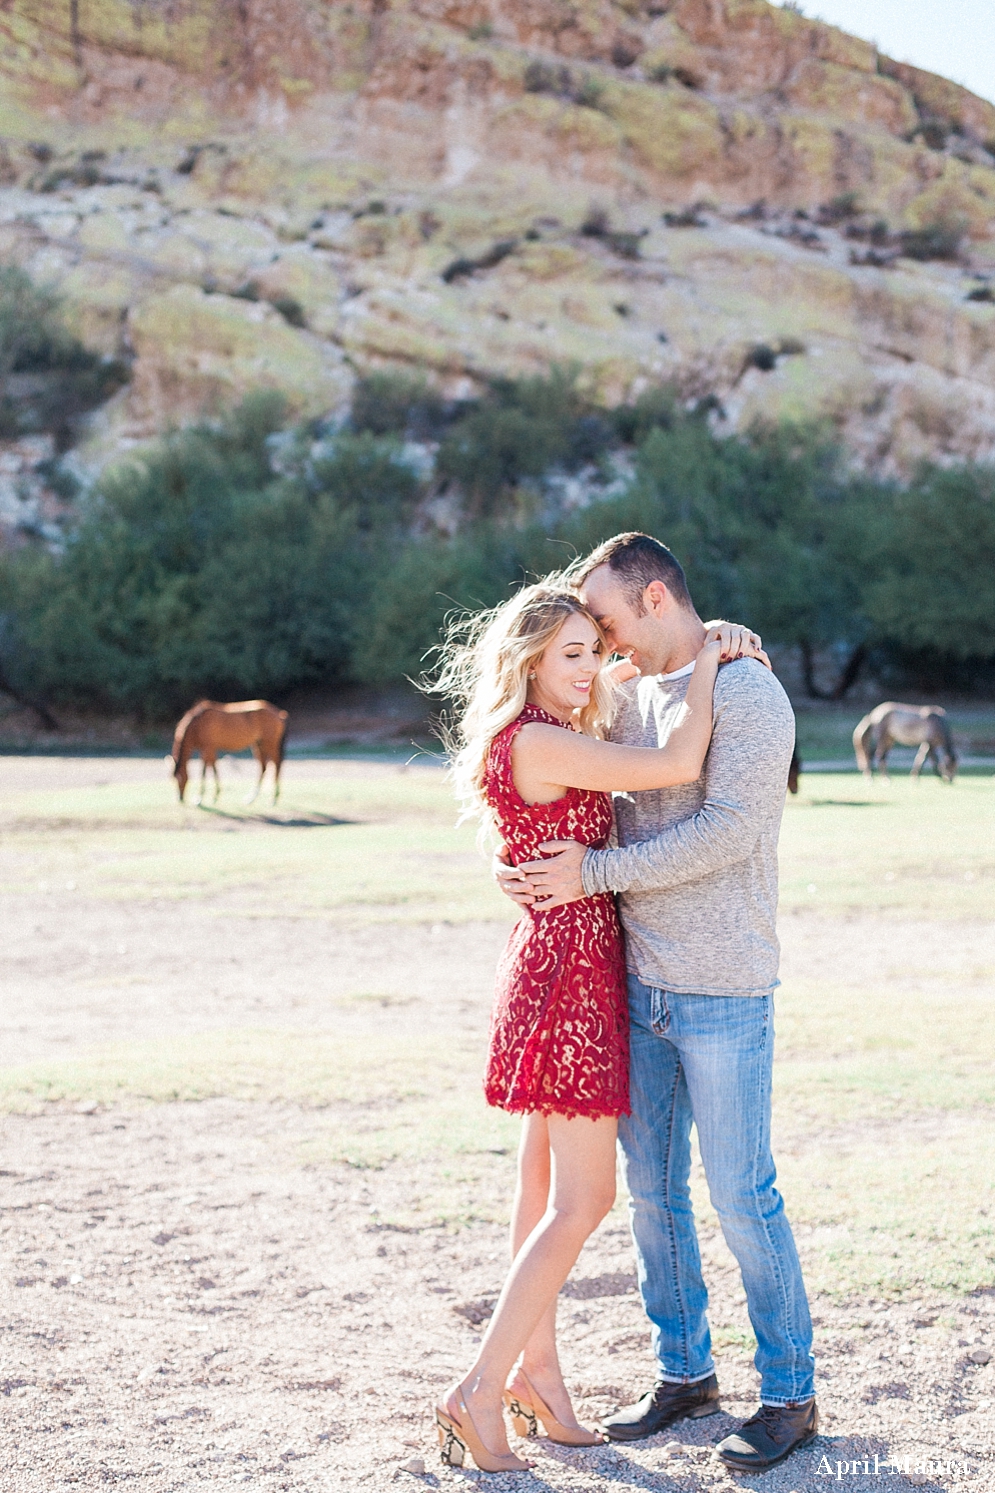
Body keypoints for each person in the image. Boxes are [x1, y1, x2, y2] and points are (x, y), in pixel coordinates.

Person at [496, 532, 818, 1475]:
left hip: (723, 987)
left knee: (741, 1195)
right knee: (650, 1193)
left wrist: (594, 873)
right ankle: (685, 1371)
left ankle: (790, 1392)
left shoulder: (750, 691)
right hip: (635, 985)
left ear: (650, 599)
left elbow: (726, 832)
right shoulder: (625, 694)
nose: (591, 637)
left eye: (599, 616)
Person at [431, 579, 766, 1474]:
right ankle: (479, 1386)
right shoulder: (542, 738)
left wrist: (701, 631)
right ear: (528, 661)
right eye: (572, 654)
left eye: (596, 648)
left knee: (540, 1187)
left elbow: (619, 668)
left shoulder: (532, 732)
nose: (592, 668)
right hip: (571, 973)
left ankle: (537, 1375)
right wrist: (704, 667)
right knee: (585, 1202)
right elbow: (675, 765)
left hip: (552, 955)